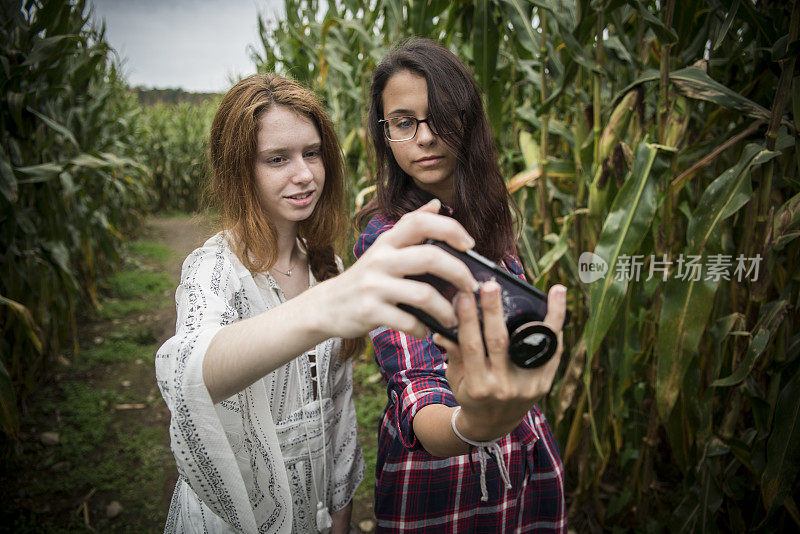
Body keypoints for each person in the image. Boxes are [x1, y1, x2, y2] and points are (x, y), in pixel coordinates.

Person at [155, 73, 484, 534]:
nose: (305, 174)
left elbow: (337, 413)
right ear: (239, 169)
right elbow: (187, 373)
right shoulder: (215, 268)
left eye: (312, 153)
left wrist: (340, 512)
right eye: (276, 159)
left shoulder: (324, 263)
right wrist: (323, 308)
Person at [355, 38, 568, 532]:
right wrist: (474, 426)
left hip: (525, 477)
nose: (424, 138)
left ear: (467, 118)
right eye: (403, 122)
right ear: (385, 134)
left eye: (440, 116)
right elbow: (419, 391)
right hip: (450, 494)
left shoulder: (489, 218)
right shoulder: (391, 242)